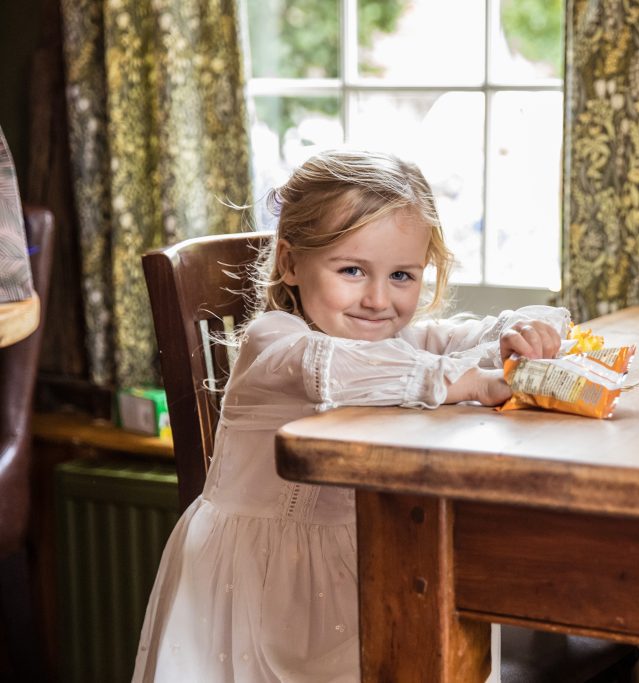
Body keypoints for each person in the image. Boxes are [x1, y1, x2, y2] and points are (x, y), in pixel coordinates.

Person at [133, 150, 569, 682]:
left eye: (402, 275)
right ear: (291, 263)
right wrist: (467, 381)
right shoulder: (273, 342)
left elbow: (471, 334)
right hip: (260, 584)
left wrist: (527, 328)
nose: (378, 299)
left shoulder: (399, 338)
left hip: (368, 562)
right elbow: (331, 368)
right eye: (353, 270)